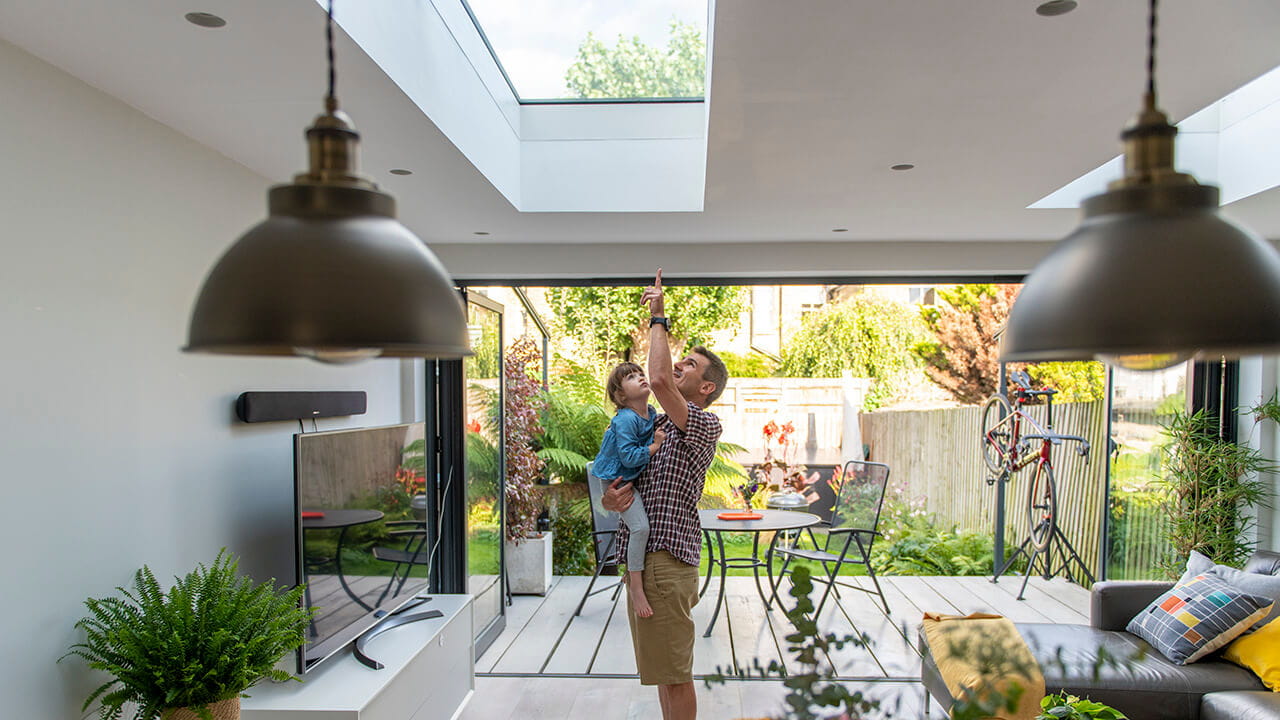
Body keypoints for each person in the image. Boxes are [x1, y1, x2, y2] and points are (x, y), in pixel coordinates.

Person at [602, 268, 728, 720]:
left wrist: (659, 316)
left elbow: (656, 378)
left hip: (666, 561)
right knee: (661, 670)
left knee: (675, 672)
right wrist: (612, 499)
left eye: (690, 365)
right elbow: (623, 483)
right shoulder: (653, 424)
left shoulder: (703, 424)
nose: (679, 367)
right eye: (682, 361)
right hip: (646, 557)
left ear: (706, 387)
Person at [591, 361, 665, 618]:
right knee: (640, 527)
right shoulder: (625, 419)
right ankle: (635, 584)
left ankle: (632, 576)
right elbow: (630, 457)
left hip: (628, 477)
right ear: (620, 395)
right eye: (632, 378)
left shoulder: (651, 412)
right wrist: (654, 447)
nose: (641, 378)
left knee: (640, 526)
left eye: (640, 373)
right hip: (615, 480)